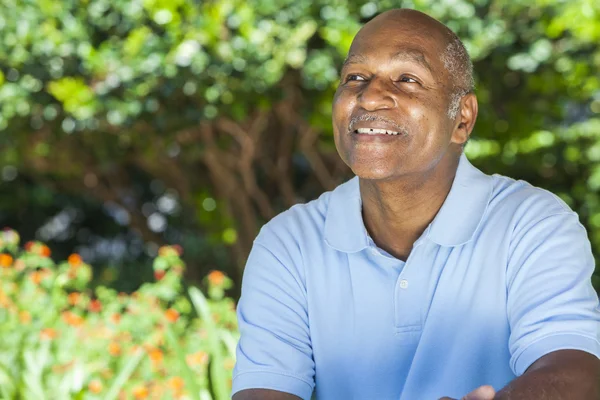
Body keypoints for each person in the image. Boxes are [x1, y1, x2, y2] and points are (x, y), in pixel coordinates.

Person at [231, 8, 600, 400]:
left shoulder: (531, 222)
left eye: (407, 79)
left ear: (462, 119)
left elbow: (576, 369)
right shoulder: (289, 243)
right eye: (355, 77)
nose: (370, 96)